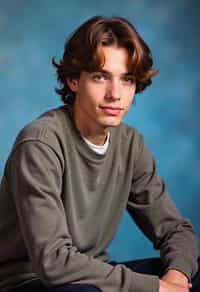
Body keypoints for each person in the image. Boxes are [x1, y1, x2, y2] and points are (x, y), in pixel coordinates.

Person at [0, 15, 199, 292]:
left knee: (192, 271)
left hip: (92, 275)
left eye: (127, 80)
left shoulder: (130, 144)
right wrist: (157, 289)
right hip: (32, 282)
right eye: (100, 77)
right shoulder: (40, 144)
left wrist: (176, 280)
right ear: (73, 80)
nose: (115, 94)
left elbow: (176, 231)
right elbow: (54, 262)